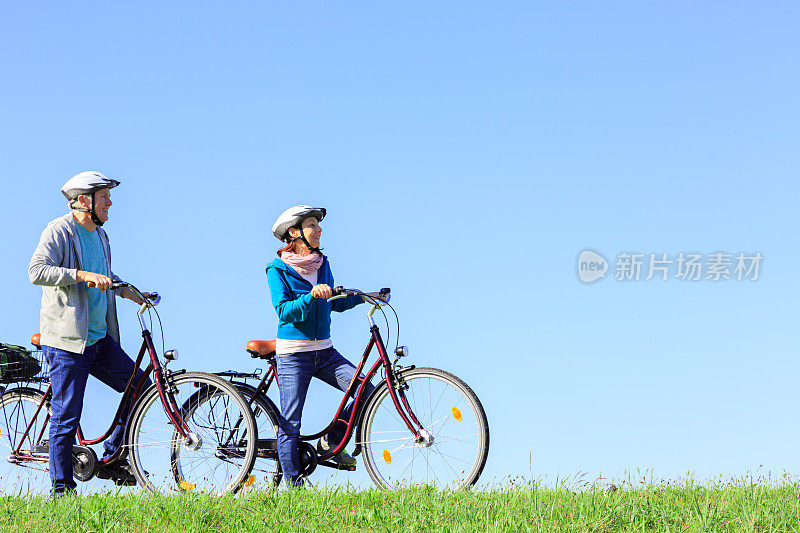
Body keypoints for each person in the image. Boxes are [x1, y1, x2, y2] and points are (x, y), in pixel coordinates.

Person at [28, 171, 151, 496]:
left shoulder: (100, 235)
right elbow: (37, 270)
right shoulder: (59, 230)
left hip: (98, 340)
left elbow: (104, 276)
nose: (110, 201)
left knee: (141, 388)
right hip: (67, 342)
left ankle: (111, 456)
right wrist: (81, 275)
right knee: (67, 415)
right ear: (83, 200)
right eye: (104, 196)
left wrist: (128, 292)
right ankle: (61, 489)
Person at [267, 205, 379, 487]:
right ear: (294, 233)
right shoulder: (277, 269)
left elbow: (335, 303)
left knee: (366, 391)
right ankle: (293, 486)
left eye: (319, 225)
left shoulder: (322, 263)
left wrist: (365, 296)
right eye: (312, 225)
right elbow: (284, 311)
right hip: (294, 354)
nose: (319, 230)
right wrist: (311, 297)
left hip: (325, 351)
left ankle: (331, 442)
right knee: (291, 422)